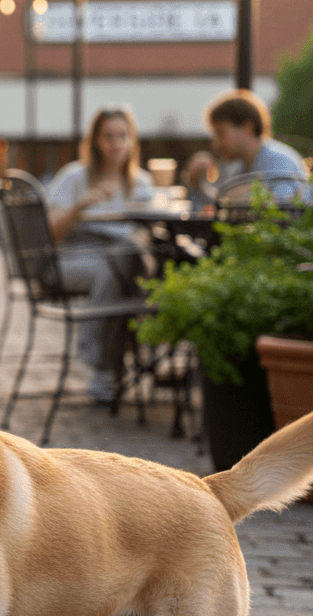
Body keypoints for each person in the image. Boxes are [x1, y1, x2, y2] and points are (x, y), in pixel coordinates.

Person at [44, 106, 155, 403]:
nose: (116, 143)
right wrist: (79, 207)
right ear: (95, 141)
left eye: (122, 135)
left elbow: (149, 232)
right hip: (70, 258)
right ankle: (110, 361)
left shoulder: (141, 183)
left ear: (132, 140)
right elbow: (51, 234)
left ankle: (106, 366)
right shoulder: (74, 176)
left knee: (125, 263)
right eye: (108, 136)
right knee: (122, 270)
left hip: (123, 260)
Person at [181, 89, 310, 200]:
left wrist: (246, 198)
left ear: (247, 127)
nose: (216, 144)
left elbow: (286, 215)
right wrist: (200, 184)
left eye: (220, 134)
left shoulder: (281, 162)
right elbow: (222, 205)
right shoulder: (237, 167)